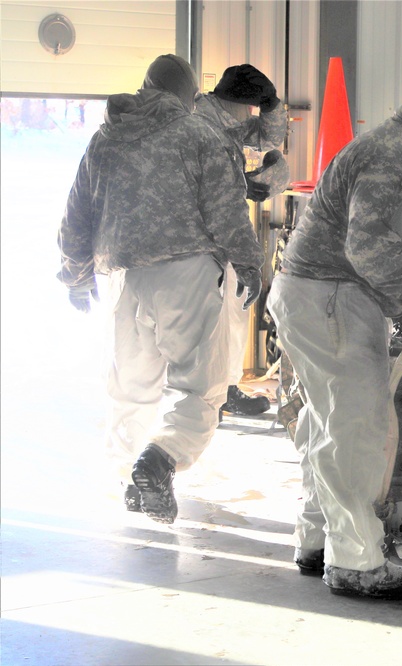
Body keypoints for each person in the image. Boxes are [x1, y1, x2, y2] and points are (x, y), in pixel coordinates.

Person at [266, 65, 402, 600]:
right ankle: (356, 562)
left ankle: (319, 542)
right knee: (358, 430)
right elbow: (367, 250)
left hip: (318, 293)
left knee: (329, 426)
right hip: (331, 296)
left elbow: (378, 235)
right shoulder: (396, 156)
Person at [57, 54, 265, 524]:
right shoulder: (199, 136)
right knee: (199, 386)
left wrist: (74, 274)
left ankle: (126, 479)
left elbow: (77, 215)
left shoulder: (105, 138)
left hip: (119, 277)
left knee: (130, 387)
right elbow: (226, 210)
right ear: (190, 96)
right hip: (183, 272)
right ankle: (160, 458)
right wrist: (249, 264)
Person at [194, 63, 292, 416]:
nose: (251, 115)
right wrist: (240, 183)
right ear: (237, 103)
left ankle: (226, 389)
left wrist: (272, 104)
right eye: (251, 107)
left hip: (222, 240)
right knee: (212, 325)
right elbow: (210, 190)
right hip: (205, 242)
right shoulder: (202, 124)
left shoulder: (226, 122)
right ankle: (210, 399)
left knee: (232, 317)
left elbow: (268, 138)